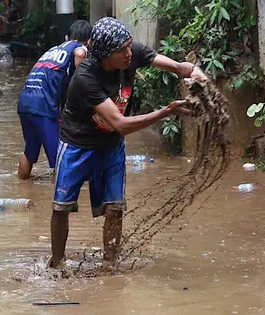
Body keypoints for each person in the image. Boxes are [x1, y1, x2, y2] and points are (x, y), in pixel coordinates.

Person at [48, 17, 202, 268]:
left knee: (115, 207)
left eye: (130, 46)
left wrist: (196, 76)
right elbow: (121, 123)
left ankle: (110, 264)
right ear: (106, 55)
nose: (130, 53)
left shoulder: (132, 54)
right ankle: (57, 262)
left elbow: (179, 68)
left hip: (110, 143)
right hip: (77, 142)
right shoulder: (85, 78)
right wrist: (167, 111)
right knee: (61, 206)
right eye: (123, 50)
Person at [17, 19, 92, 180]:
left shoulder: (53, 50)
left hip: (25, 102)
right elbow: (80, 54)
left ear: (67, 37)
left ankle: (22, 188)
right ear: (88, 41)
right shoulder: (79, 48)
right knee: (60, 159)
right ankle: (61, 198)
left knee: (30, 151)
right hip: (43, 106)